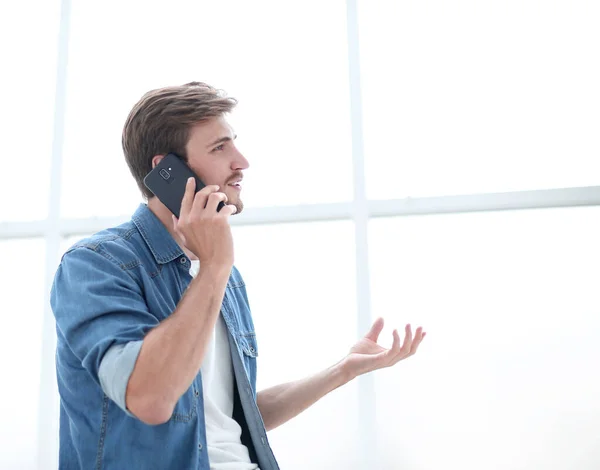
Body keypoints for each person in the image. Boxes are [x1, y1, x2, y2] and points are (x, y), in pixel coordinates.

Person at [50, 81, 427, 470]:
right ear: (168, 171)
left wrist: (342, 369)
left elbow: (226, 417)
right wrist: (214, 267)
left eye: (234, 143)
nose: (241, 161)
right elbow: (151, 398)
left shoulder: (224, 279)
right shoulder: (96, 265)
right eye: (219, 147)